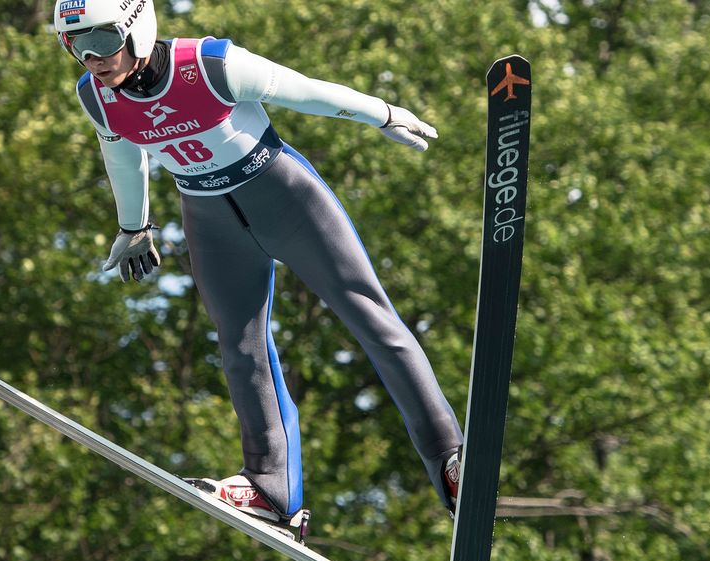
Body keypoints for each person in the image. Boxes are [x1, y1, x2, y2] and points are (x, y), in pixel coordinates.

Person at [54, 0, 464, 532]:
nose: (92, 58)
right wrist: (135, 225)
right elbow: (122, 156)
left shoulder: (209, 64)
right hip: (207, 217)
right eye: (75, 45)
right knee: (239, 346)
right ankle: (271, 489)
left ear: (137, 27)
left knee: (370, 319)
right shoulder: (97, 97)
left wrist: (380, 112)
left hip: (284, 197)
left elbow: (306, 90)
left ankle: (450, 457)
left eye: (103, 40)